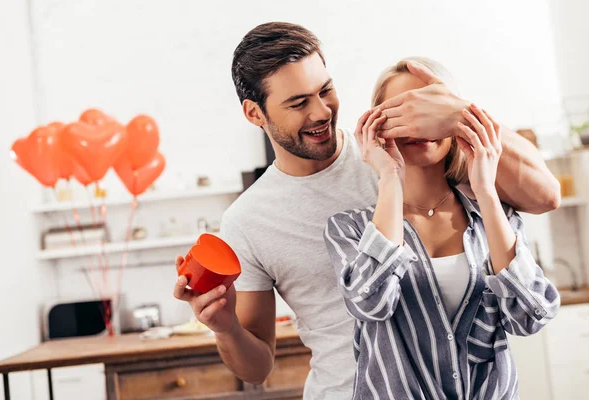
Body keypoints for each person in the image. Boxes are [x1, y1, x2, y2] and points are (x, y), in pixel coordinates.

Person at [173, 22, 560, 399]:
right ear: (255, 113)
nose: (322, 111)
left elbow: (546, 197)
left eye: (325, 90)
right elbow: (257, 367)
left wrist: (459, 110)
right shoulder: (250, 221)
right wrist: (226, 330)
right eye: (298, 103)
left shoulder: (407, 147)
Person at [323, 57, 560, 399]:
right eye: (402, 112)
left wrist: (487, 191)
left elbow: (530, 316)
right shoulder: (350, 229)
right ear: (378, 123)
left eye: (430, 111)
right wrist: (389, 177)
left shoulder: (494, 216)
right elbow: (370, 303)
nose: (419, 127)